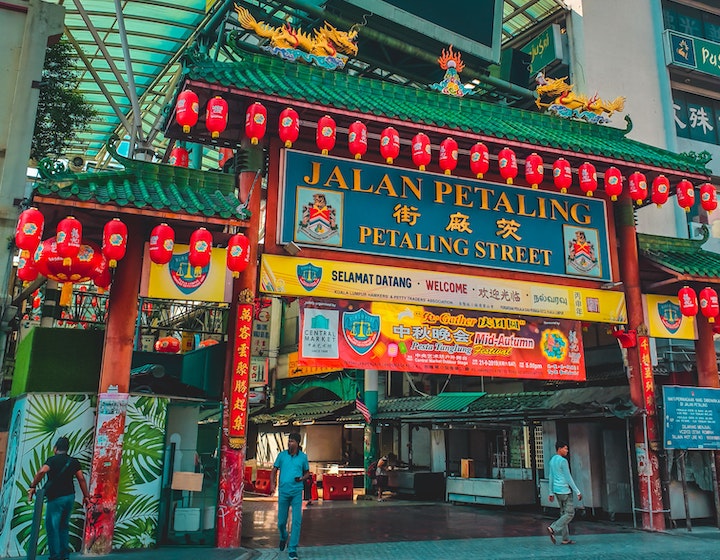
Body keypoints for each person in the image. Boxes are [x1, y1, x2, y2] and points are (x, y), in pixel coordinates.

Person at [27, 436, 90, 560]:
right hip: (69, 497)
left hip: (55, 498)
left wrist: (33, 486)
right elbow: (81, 478)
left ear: (55, 448)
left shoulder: (52, 460)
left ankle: (55, 556)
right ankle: (64, 555)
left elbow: (41, 472)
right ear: (67, 449)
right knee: (63, 526)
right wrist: (86, 496)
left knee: (52, 526)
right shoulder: (73, 461)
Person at [270, 432, 309, 560]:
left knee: (296, 521)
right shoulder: (282, 456)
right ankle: (283, 536)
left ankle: (292, 549)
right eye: (289, 441)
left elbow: (307, 473)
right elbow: (274, 470)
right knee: (281, 522)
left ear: (298, 443)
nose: (289, 443)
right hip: (284, 492)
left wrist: (302, 478)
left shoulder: (303, 457)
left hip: (297, 491)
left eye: (292, 441)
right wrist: (273, 484)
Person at [546, 440, 582, 545]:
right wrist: (577, 491)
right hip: (565, 491)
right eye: (565, 448)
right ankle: (553, 528)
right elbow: (568, 478)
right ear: (559, 449)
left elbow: (551, 477)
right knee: (570, 513)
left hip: (557, 491)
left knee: (563, 514)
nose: (567, 451)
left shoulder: (552, 460)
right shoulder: (563, 461)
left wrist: (550, 492)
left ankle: (565, 538)